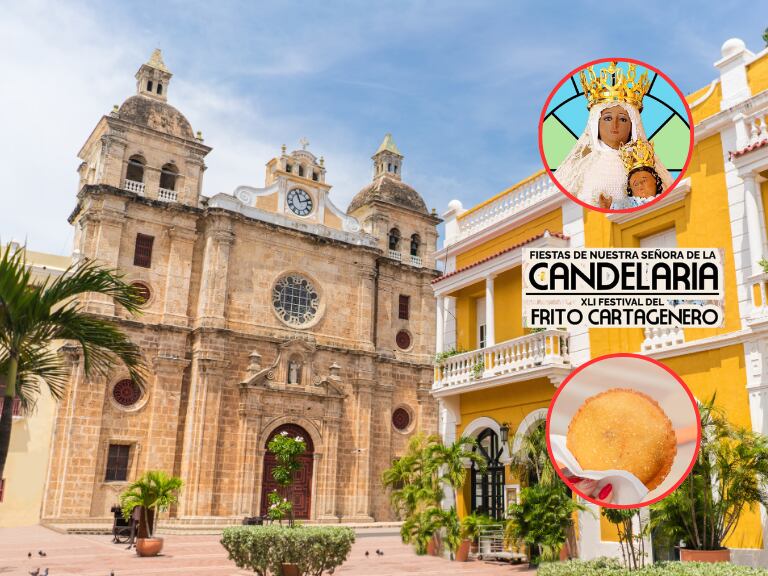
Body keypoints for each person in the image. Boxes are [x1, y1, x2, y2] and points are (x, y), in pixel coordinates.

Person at [555, 61, 672, 207]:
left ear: (633, 125)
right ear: (595, 122)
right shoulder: (580, 169)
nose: (614, 125)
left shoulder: (646, 164)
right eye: (608, 118)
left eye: (623, 119)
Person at [599, 139, 665, 209]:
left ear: (655, 180)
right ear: (631, 189)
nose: (640, 184)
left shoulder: (666, 198)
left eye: (644, 180)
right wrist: (608, 207)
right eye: (635, 184)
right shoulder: (626, 205)